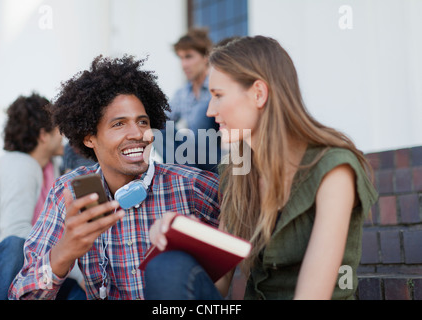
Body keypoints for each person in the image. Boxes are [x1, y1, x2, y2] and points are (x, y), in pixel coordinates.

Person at [144, 36, 379, 300]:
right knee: (168, 266)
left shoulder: (333, 170)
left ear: (258, 93)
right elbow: (217, 286)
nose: (210, 110)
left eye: (218, 95)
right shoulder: (237, 172)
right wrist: (186, 243)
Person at [8, 55, 220, 300]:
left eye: (142, 122)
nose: (137, 133)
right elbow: (21, 295)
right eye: (119, 124)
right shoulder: (68, 193)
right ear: (89, 138)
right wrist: (64, 253)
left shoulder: (192, 186)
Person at [0, 93, 83, 299]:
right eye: (58, 129)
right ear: (43, 135)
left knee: (78, 292)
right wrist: (76, 270)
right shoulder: (19, 165)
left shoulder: (51, 169)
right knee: (16, 243)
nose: (63, 135)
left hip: (35, 272)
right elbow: (17, 234)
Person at [158, 28, 222, 173]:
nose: (184, 65)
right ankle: (183, 174)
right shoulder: (182, 94)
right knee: (157, 124)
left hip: (216, 155)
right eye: (181, 58)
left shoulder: (219, 84)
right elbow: (163, 121)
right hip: (190, 155)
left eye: (189, 57)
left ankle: (185, 173)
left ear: (206, 57)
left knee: (201, 111)